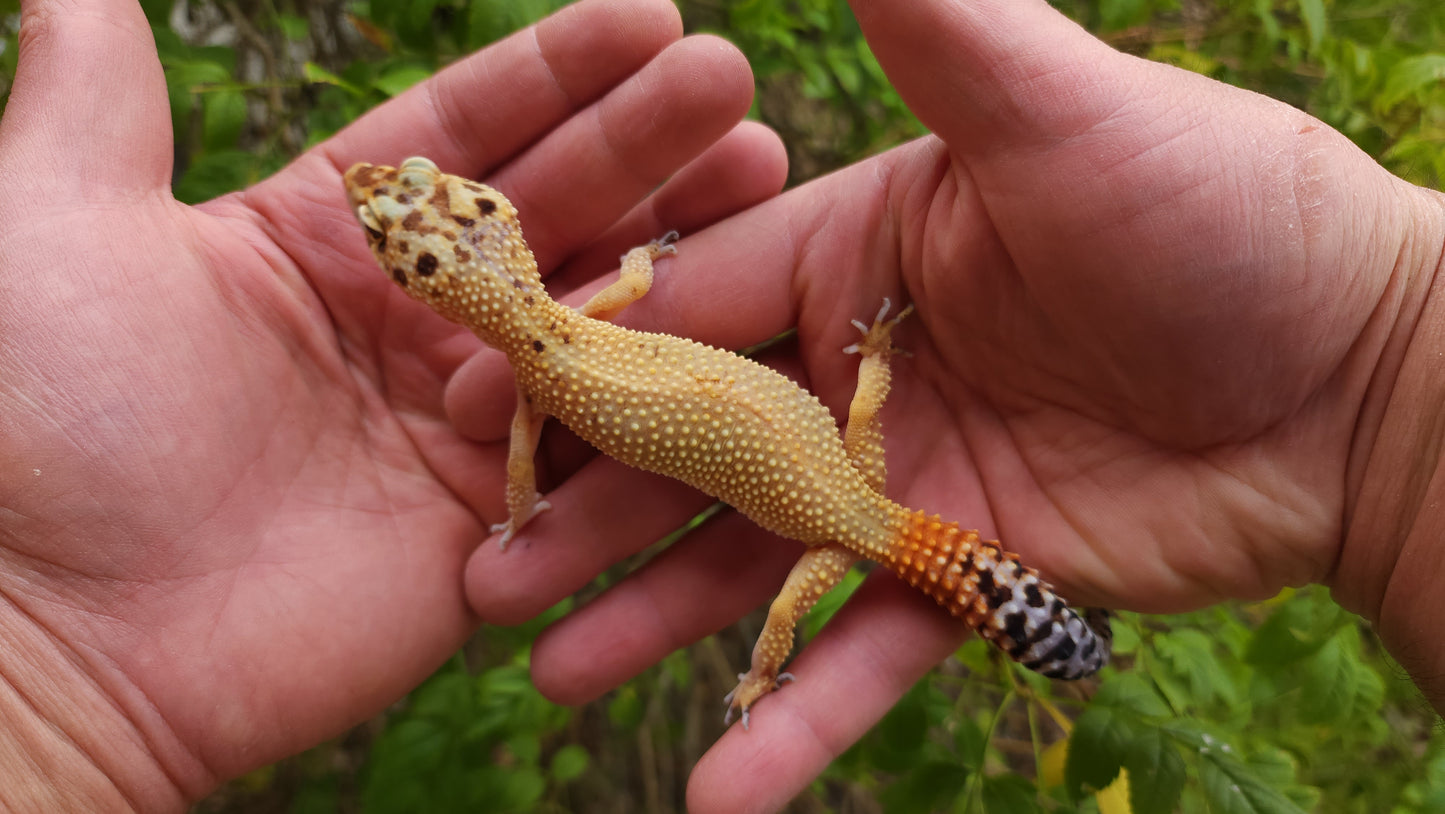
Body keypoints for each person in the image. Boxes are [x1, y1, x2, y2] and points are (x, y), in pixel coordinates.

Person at [0, 0, 1438, 809]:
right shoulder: (560, 324)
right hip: (842, 471)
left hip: (850, 504)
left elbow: (523, 453)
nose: (406, 213)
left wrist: (519, 511)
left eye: (422, 220)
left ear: (465, 272)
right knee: (822, 541)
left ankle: (881, 650)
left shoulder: (535, 374)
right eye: (413, 230)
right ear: (491, 246)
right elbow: (619, 283)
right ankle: (981, 628)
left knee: (790, 609)